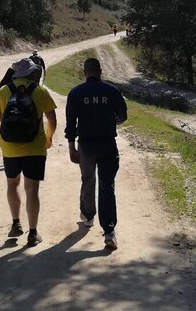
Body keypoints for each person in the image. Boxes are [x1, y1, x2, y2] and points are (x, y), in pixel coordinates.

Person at [0, 58, 57, 247]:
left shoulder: (4, 91)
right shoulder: (40, 91)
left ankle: (16, 223)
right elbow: (52, 120)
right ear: (32, 73)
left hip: (9, 148)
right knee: (32, 189)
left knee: (12, 184)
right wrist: (49, 138)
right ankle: (33, 233)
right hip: (35, 148)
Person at [65, 57, 127, 250]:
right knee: (107, 185)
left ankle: (88, 216)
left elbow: (70, 124)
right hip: (107, 143)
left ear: (85, 73)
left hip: (86, 146)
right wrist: (113, 120)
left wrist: (71, 148)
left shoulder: (75, 93)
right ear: (100, 71)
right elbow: (123, 116)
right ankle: (109, 231)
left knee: (88, 179)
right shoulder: (112, 91)